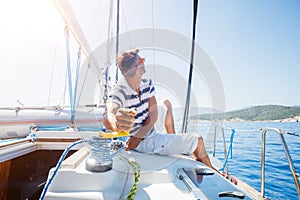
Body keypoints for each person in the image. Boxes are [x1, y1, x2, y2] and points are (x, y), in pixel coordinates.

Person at [103, 48, 216, 170]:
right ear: (137, 67)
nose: (144, 62)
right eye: (142, 60)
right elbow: (110, 110)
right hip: (145, 142)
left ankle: (173, 142)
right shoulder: (120, 90)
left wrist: (138, 136)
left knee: (166, 104)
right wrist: (114, 121)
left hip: (143, 132)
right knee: (197, 141)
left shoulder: (146, 83)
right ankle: (212, 168)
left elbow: (154, 113)